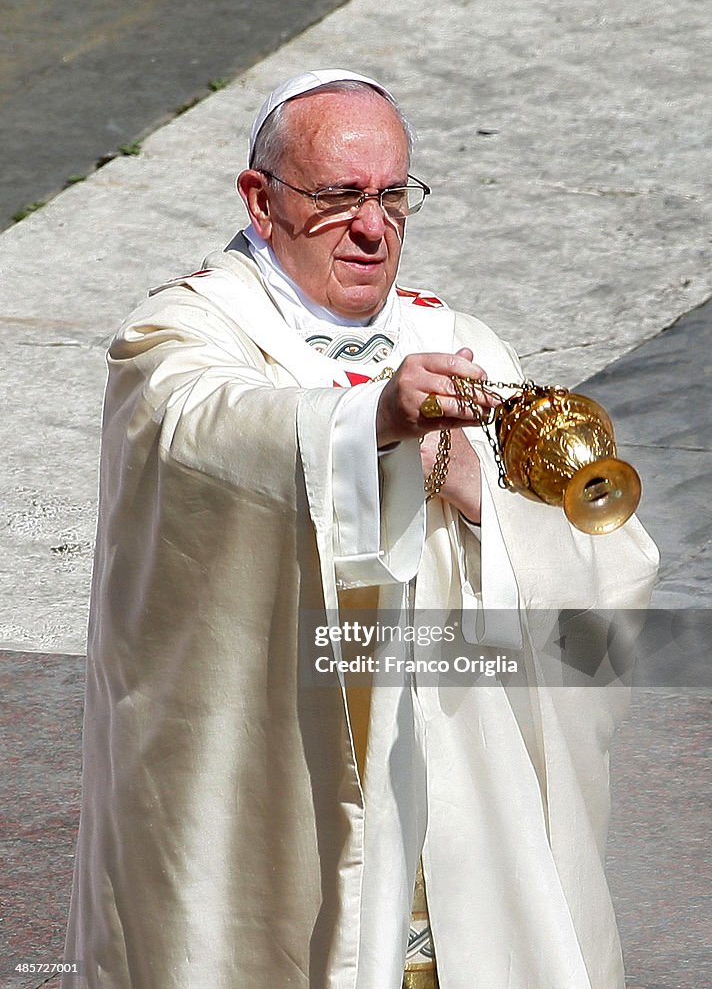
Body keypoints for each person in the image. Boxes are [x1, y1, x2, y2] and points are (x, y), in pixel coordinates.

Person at [64, 69, 658, 989]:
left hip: (460, 782)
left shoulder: (461, 341)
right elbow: (200, 436)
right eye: (339, 198)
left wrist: (480, 499)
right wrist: (370, 426)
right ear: (260, 201)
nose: (374, 230)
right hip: (277, 779)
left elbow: (603, 588)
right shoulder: (183, 334)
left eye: (393, 196)